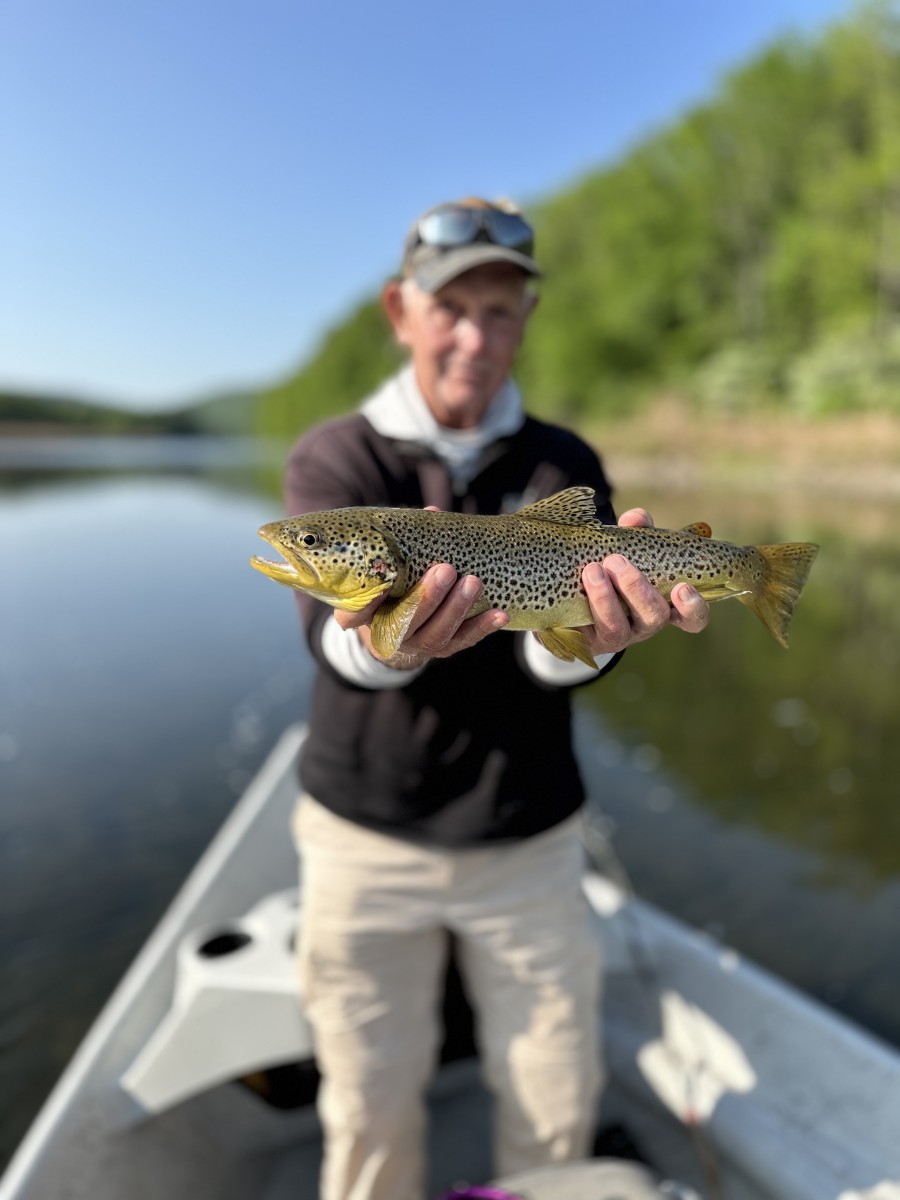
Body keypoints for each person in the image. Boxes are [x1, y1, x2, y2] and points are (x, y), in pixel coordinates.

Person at [284, 196, 709, 1200]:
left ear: (527, 319)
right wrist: (392, 643)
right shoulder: (338, 460)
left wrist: (595, 642)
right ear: (402, 311)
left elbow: (555, 653)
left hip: (527, 838)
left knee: (554, 1100)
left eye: (503, 311)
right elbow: (328, 642)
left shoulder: (565, 464)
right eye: (452, 308)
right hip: (365, 841)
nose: (477, 336)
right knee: (367, 1113)